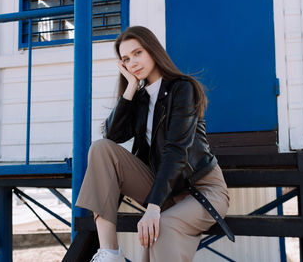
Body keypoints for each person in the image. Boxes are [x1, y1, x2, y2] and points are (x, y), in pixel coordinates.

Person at [75, 26, 230, 262]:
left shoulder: (182, 89)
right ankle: (110, 252)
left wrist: (153, 207)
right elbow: (112, 136)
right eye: (126, 59)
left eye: (138, 53)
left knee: (161, 227)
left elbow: (176, 151)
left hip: (200, 189)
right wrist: (129, 88)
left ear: (152, 51)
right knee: (100, 148)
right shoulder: (140, 99)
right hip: (163, 186)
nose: (133, 62)